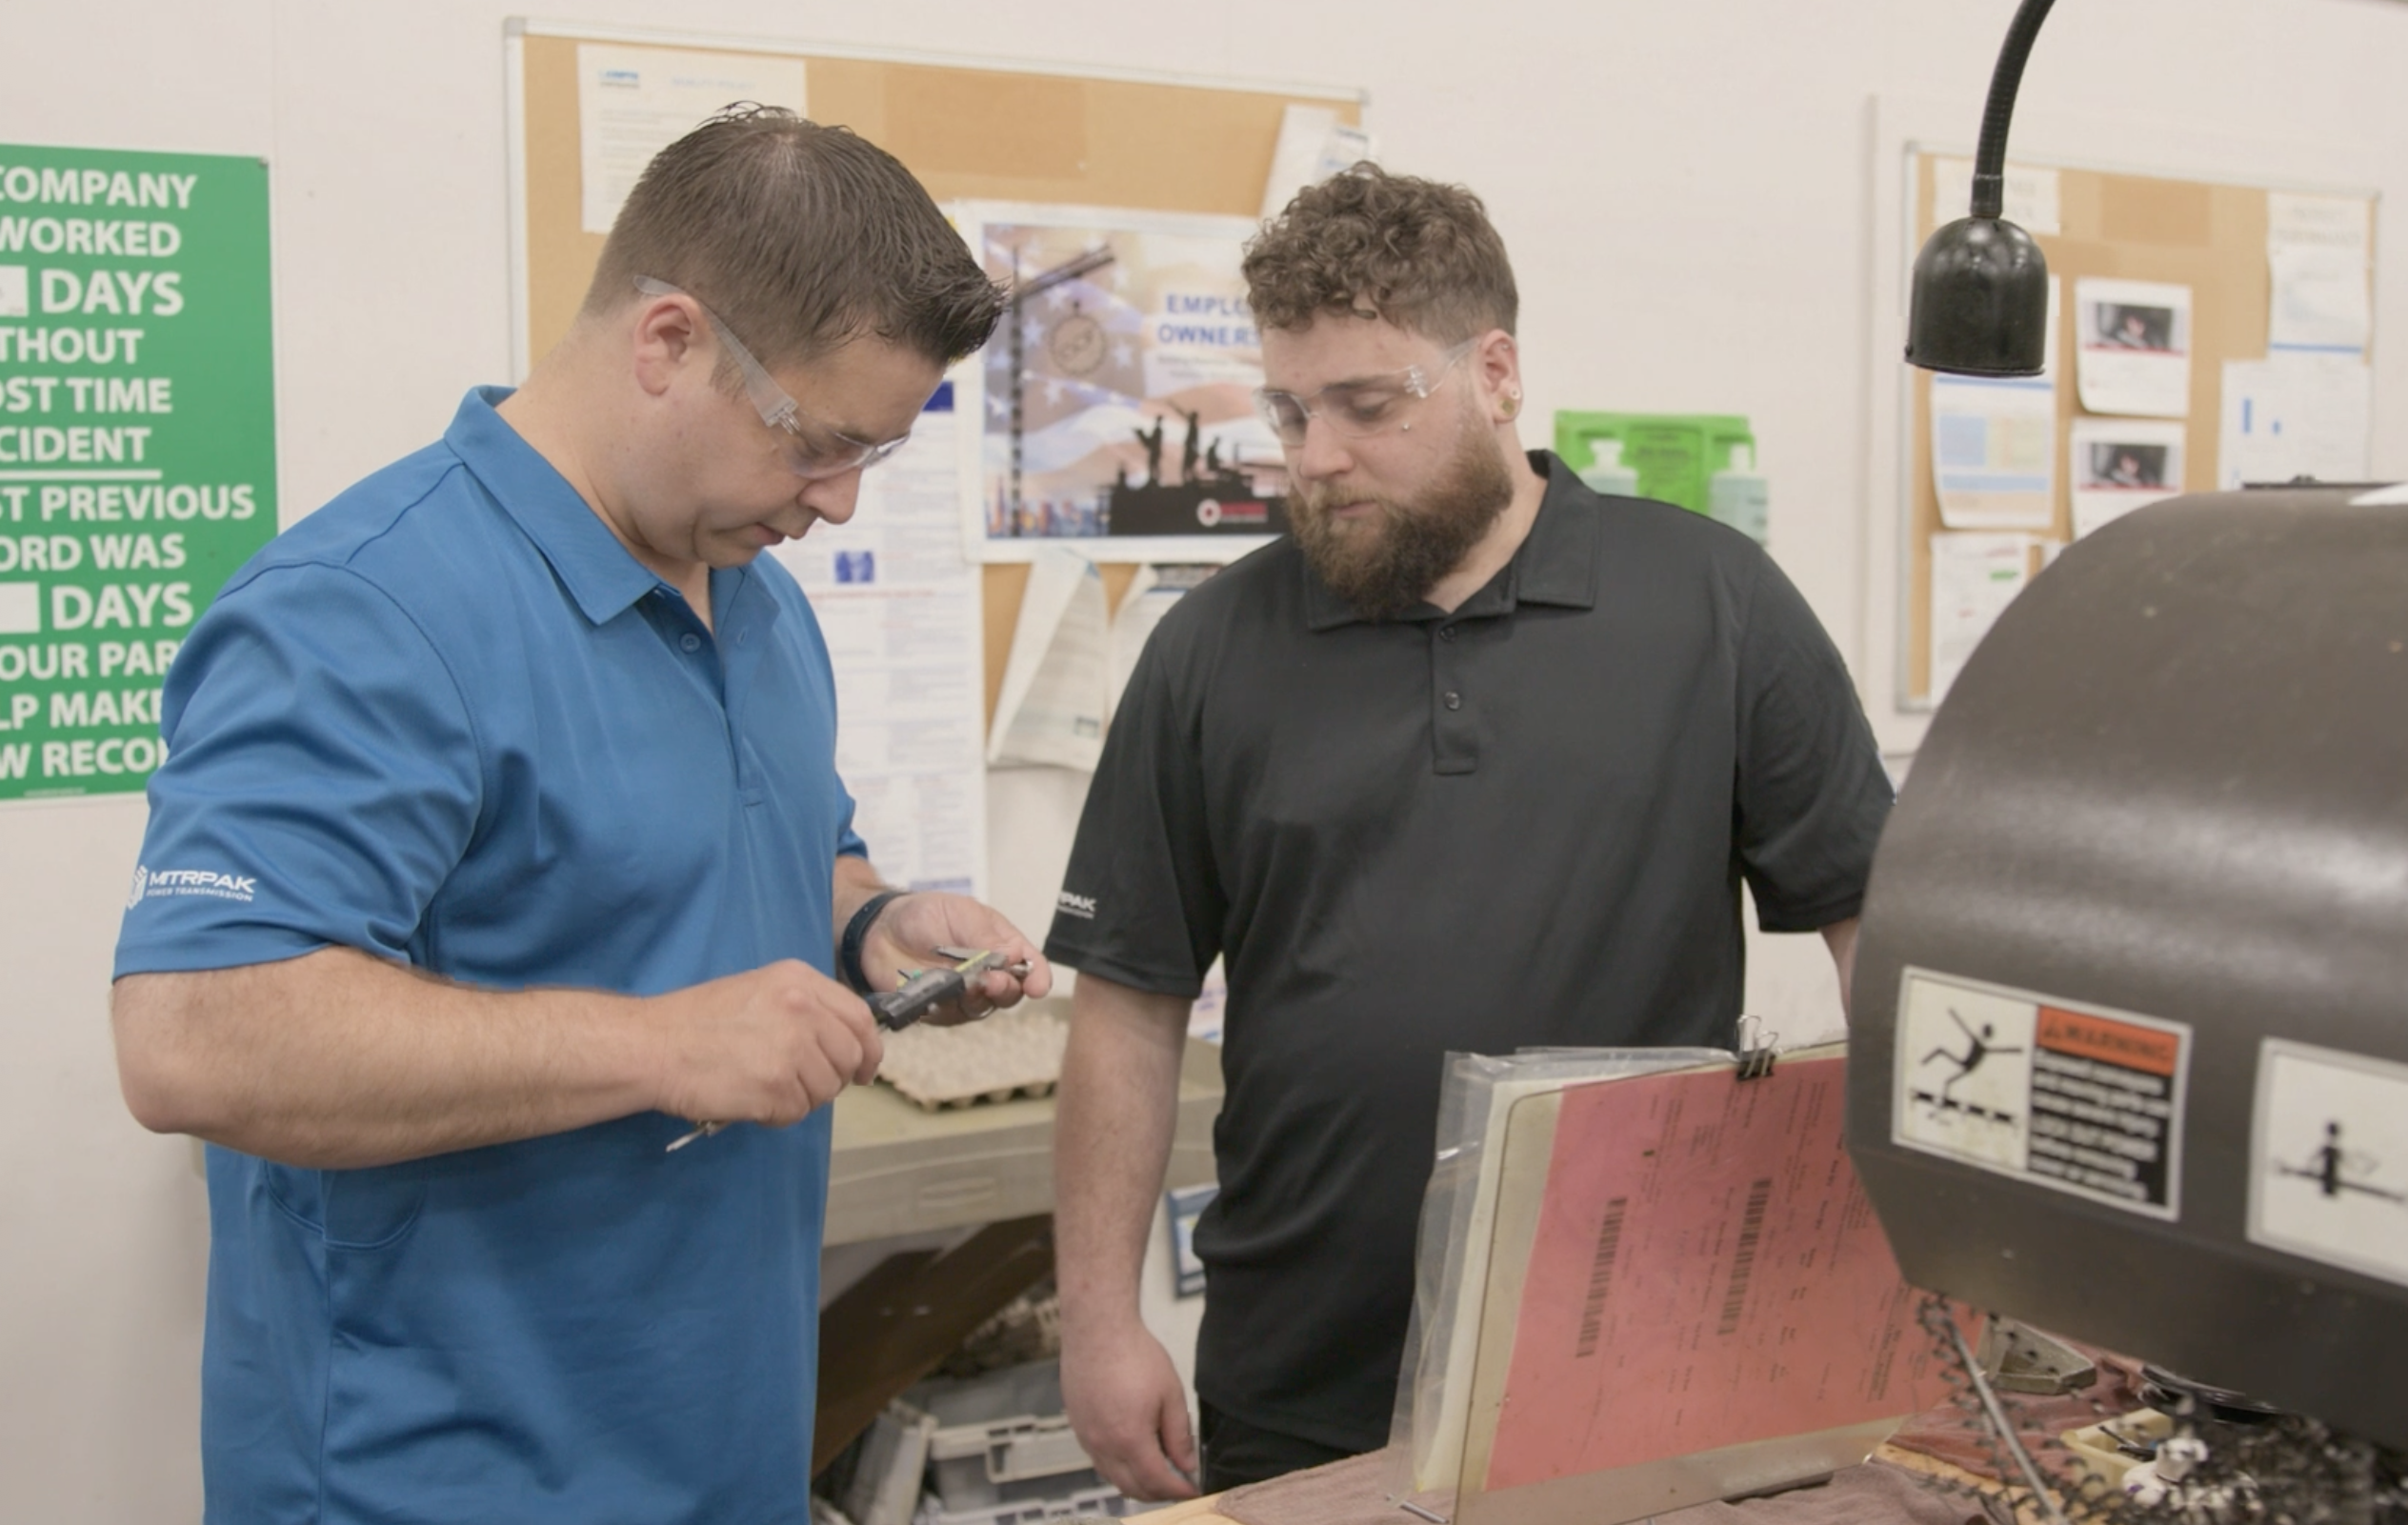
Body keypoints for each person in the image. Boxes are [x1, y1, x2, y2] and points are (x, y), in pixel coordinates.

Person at [109, 107, 1052, 1525]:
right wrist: (661, 1045)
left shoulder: (759, 600)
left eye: (881, 455)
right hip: (434, 1482)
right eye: (817, 441)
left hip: (718, 1459)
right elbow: (195, 1038)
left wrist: (875, 926)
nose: (842, 502)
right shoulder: (363, 612)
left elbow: (788, 856)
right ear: (667, 341)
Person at [1045, 165, 1891, 1499]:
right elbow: (1129, 1003)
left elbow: (1878, 942)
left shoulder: (1714, 608)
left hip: (1641, 1352)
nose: (1316, 456)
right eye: (1290, 410)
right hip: (1303, 1372)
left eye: (1368, 406)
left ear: (1495, 371)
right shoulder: (1211, 649)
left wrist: (1962, 1259)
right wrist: (1096, 1320)